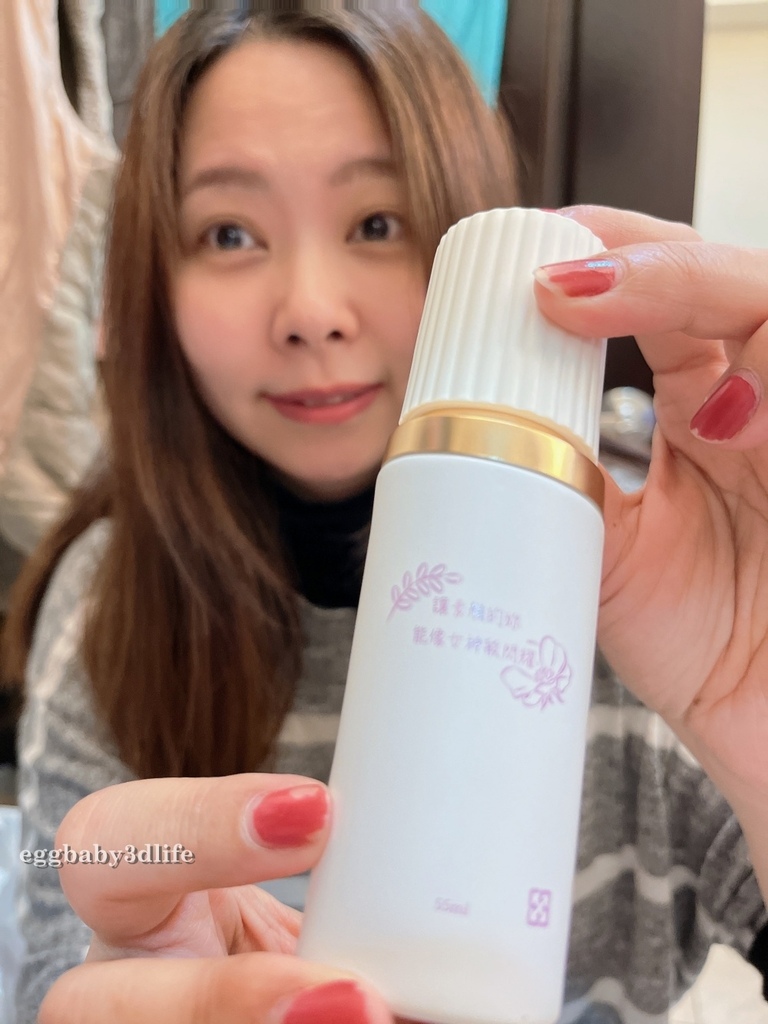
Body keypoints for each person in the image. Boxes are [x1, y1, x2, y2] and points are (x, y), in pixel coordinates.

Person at [3, 6, 768, 1024]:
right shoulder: (110, 600)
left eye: (376, 223)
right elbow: (63, 925)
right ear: (155, 282)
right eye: (229, 233)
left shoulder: (657, 592)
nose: (312, 311)